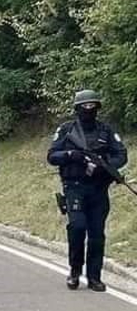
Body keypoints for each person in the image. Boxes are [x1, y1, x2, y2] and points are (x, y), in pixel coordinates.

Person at [48, 90, 127, 292]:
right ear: (77, 108)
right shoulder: (66, 130)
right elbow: (52, 156)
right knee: (77, 227)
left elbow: (121, 155)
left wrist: (105, 165)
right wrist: (70, 155)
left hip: (98, 188)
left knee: (97, 235)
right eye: (85, 106)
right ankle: (75, 270)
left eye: (93, 106)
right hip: (74, 187)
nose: (89, 109)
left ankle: (94, 277)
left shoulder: (106, 131)